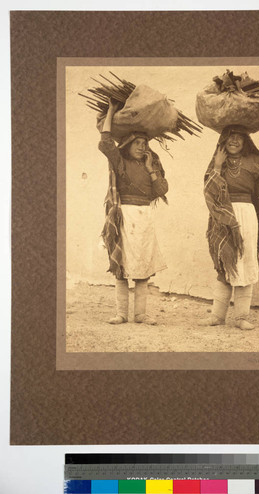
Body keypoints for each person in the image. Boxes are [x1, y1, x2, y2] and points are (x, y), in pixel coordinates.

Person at [200, 124, 259, 330]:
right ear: (223, 140)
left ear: (245, 141)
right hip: (223, 216)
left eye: (240, 137)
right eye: (231, 136)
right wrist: (217, 166)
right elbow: (209, 190)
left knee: (246, 262)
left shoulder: (253, 161)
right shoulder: (217, 161)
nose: (234, 141)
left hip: (246, 216)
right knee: (225, 262)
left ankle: (241, 317)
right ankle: (217, 316)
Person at [98, 98, 168, 325]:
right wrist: (110, 111)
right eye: (137, 142)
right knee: (122, 266)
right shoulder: (120, 162)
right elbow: (106, 141)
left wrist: (151, 170)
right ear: (127, 144)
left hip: (144, 219)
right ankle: (121, 313)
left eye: (144, 143)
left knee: (142, 268)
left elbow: (162, 189)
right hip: (124, 218)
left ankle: (140, 315)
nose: (141, 146)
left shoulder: (152, 164)